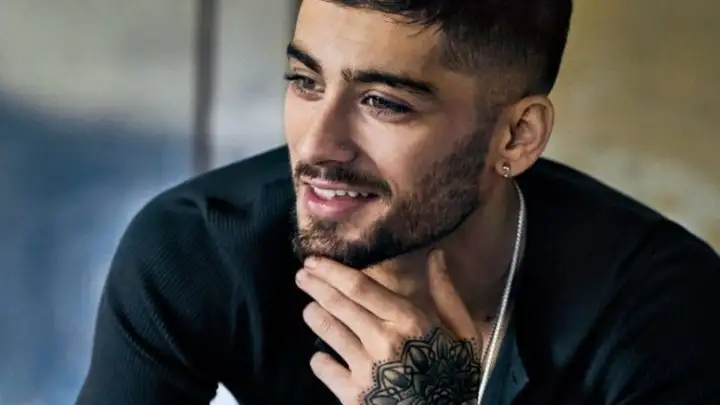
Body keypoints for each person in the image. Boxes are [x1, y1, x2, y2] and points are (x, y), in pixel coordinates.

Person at [76, 0, 720, 404]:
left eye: (383, 103)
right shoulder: (196, 249)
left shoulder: (663, 307)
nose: (317, 146)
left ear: (516, 137)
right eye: (304, 81)